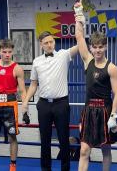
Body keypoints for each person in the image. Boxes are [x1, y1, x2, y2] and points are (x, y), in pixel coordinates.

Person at [74, 0, 117, 171]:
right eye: (95, 47)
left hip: (105, 111)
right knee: (84, 150)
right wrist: (79, 14)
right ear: (91, 48)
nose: (98, 50)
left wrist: (114, 116)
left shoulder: (112, 68)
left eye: (101, 46)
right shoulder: (88, 61)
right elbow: (79, 36)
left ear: (105, 47)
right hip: (88, 110)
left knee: (106, 149)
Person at [21, 31, 79, 171]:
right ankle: (45, 169)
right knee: (45, 140)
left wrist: (80, 24)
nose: (49, 45)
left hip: (61, 104)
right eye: (46, 43)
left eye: (51, 41)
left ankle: (65, 169)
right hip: (44, 104)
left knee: (64, 140)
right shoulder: (37, 61)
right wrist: (25, 101)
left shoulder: (63, 55)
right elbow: (34, 84)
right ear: (41, 45)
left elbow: (80, 45)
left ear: (54, 42)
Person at [0, 38, 30, 171]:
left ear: (12, 51)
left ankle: (13, 165)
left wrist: (25, 111)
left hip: (9, 107)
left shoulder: (17, 69)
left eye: (9, 51)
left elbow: (23, 91)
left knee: (12, 136)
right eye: (4, 52)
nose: (7, 54)